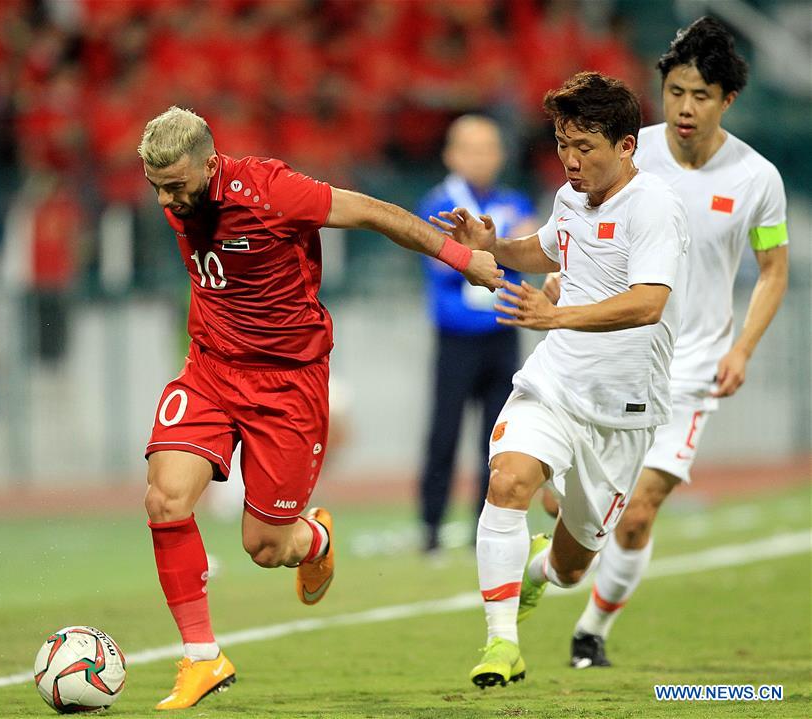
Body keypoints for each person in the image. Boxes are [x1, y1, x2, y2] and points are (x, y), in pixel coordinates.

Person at [137, 106, 501, 710]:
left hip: (288, 385)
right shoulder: (180, 198)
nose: (166, 202)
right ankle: (202, 658)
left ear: (210, 161)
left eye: (176, 186)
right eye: (156, 188)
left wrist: (464, 261)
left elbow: (377, 213)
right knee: (165, 500)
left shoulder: (273, 190)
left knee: (265, 547)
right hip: (209, 370)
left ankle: (314, 541)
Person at [431, 72, 690, 688]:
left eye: (585, 148)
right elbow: (548, 250)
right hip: (556, 383)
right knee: (508, 477)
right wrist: (493, 245)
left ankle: (538, 574)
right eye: (562, 145)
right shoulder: (570, 198)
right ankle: (501, 645)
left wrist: (555, 315)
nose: (570, 161)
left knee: (575, 567)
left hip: (623, 411)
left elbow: (649, 302)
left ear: (626, 146)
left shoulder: (654, 204)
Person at [561, 17, 789, 669]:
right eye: (675, 91)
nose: (685, 107)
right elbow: (582, 225)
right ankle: (548, 568)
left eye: (700, 95)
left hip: (687, 370)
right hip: (609, 354)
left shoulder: (756, 180)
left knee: (635, 515)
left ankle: (590, 632)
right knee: (574, 518)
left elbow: (772, 269)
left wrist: (741, 346)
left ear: (726, 101)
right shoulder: (631, 155)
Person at [418, 115, 537, 554]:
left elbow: (535, 246)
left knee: (498, 434)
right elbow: (439, 260)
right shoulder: (440, 202)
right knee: (444, 432)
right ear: (452, 155)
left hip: (502, 332)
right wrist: (501, 244)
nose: (482, 158)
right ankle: (430, 527)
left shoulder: (511, 199)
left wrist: (481, 246)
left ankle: (483, 526)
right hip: (456, 337)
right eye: (472, 149)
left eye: (489, 148)